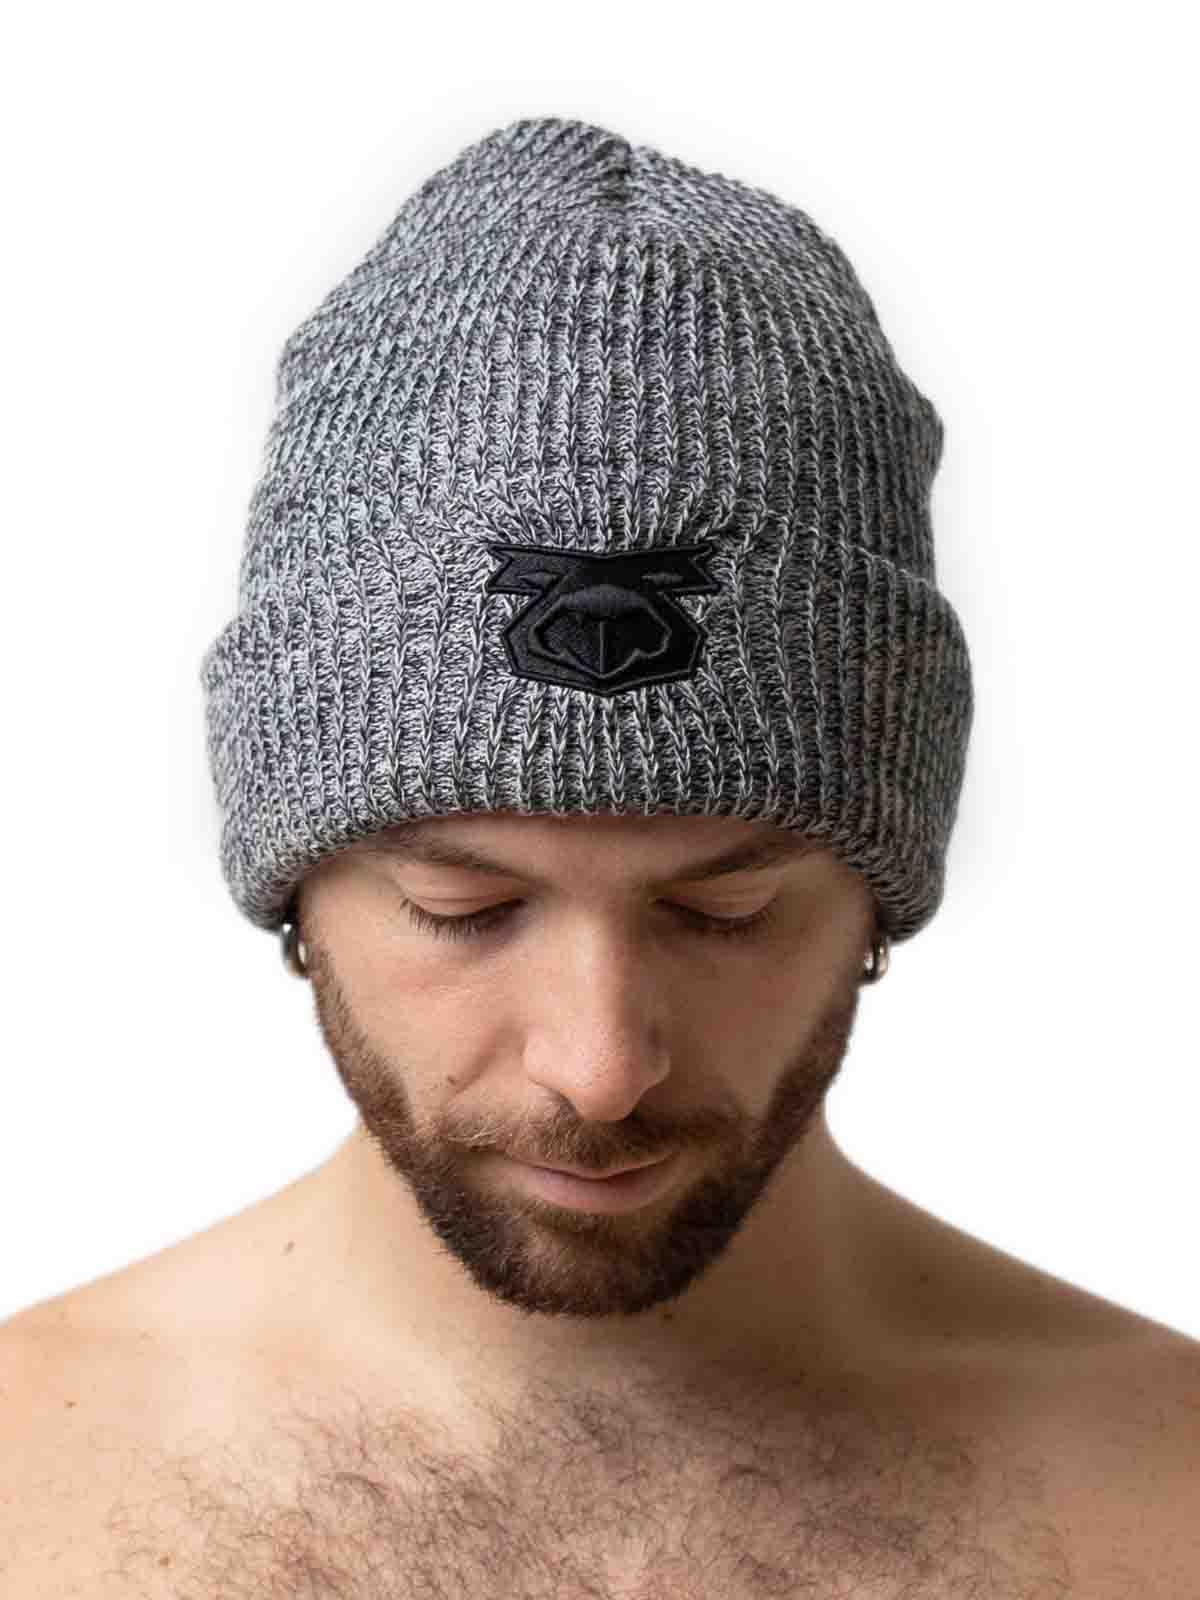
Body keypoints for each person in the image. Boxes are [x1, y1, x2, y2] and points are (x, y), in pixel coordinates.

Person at [3, 115, 1196, 1597]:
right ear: (295, 887)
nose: (601, 1068)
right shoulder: (30, 1490)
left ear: (881, 897)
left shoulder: (1168, 1496)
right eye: (463, 907)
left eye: (726, 910)